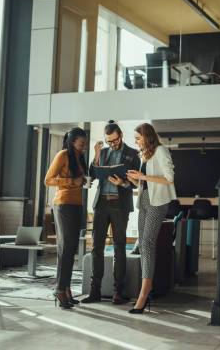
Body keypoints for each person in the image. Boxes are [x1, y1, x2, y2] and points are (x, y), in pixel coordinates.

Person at [82, 120, 140, 304]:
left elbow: (136, 182)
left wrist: (122, 183)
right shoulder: (104, 152)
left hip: (120, 205)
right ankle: (95, 291)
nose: (112, 145)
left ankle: (118, 292)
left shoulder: (132, 154)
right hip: (101, 204)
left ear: (120, 135)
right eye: (109, 142)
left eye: (114, 141)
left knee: (119, 247)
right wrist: (97, 154)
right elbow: (92, 172)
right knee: (96, 248)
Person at [126, 123, 176, 314]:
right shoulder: (144, 155)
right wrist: (132, 179)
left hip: (158, 202)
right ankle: (147, 290)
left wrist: (143, 177)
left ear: (147, 137)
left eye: (138, 138)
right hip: (144, 200)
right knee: (143, 245)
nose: (136, 141)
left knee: (147, 243)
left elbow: (169, 178)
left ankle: (143, 295)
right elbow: (144, 182)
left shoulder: (161, 151)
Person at [44, 127, 88, 309]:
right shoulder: (62, 154)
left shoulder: (78, 157)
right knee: (65, 247)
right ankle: (60, 288)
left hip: (77, 205)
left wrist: (82, 181)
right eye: (81, 144)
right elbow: (48, 179)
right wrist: (71, 182)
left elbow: (78, 180)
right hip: (63, 205)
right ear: (72, 142)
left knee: (71, 248)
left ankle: (66, 288)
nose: (83, 147)